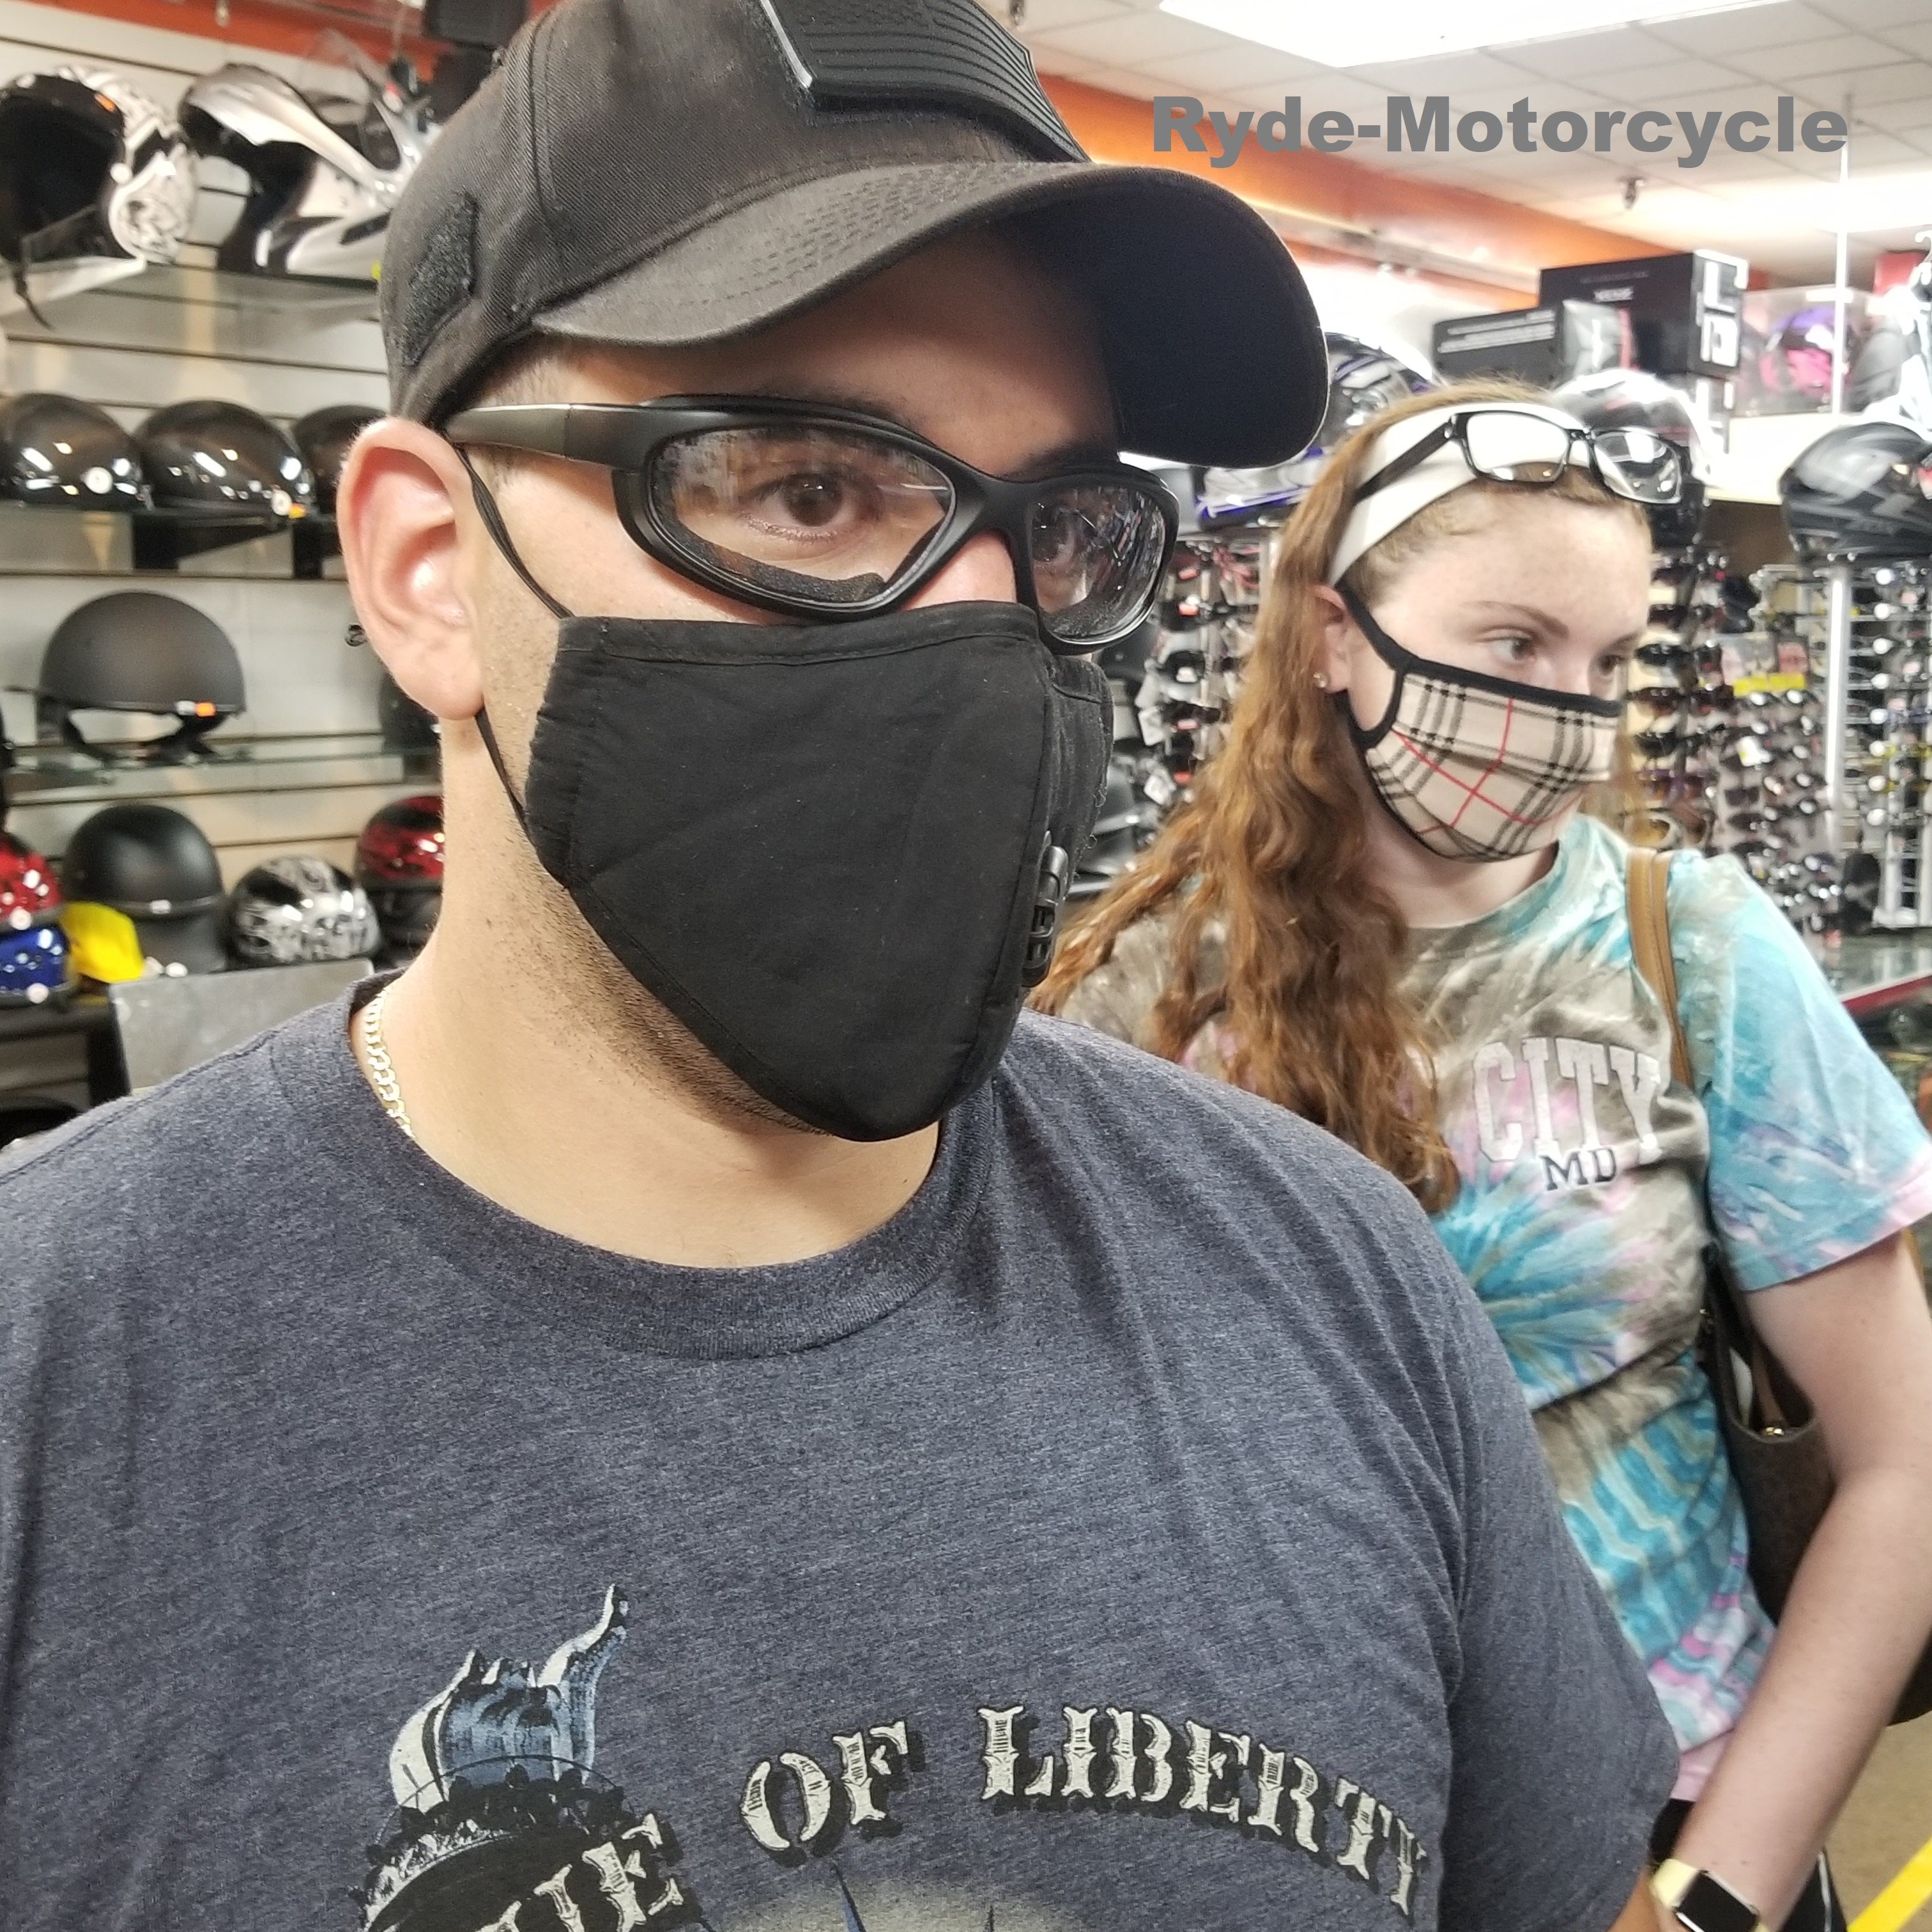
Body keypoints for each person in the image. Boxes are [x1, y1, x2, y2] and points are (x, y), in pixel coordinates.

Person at [0, 6, 1679, 1928]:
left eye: (1061, 527)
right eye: (805, 489)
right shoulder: (53, 1387)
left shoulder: (1338, 1278)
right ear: (427, 566)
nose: (980, 626)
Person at [1043, 379, 1932, 1932]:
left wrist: (1721, 1892)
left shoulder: (1695, 949)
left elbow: (1904, 1466)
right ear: (1334, 638)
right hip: (1285, 1822)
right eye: (1515, 645)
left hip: (1669, 1800)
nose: (1571, 717)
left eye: (1611, 661)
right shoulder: (1146, 997)